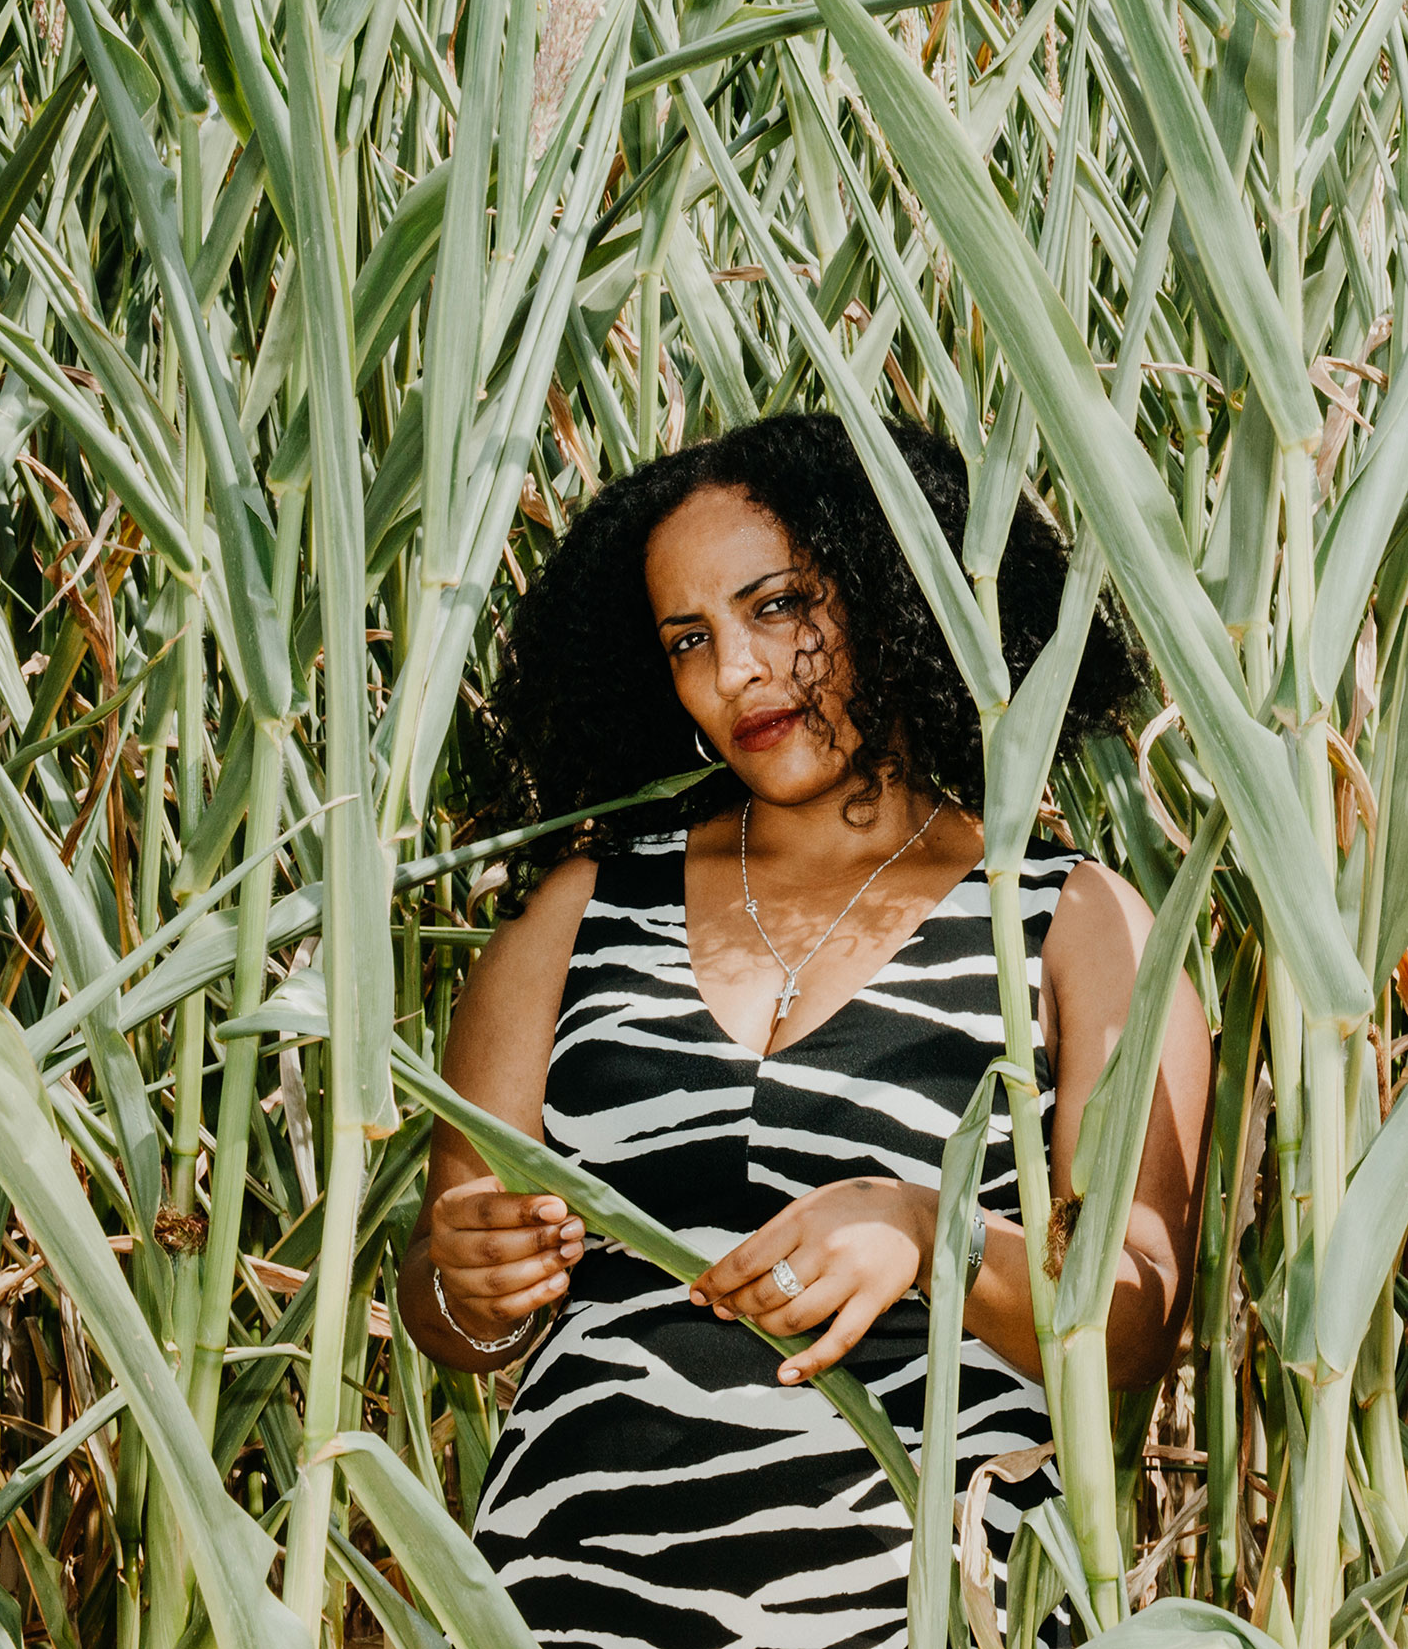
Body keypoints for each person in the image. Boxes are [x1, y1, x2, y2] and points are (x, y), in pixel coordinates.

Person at [398, 414, 1212, 1649]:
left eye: (776, 605)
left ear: (894, 588)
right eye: (687, 638)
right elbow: (449, 1310)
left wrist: (929, 1229)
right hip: (570, 1597)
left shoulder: (1068, 922)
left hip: (919, 1605)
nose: (734, 670)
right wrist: (468, 1282)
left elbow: (1134, 1320)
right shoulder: (579, 911)